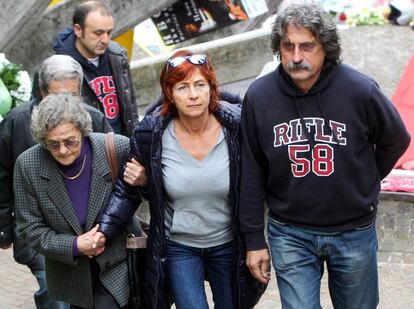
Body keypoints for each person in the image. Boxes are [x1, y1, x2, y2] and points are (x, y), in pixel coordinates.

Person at [239, 3, 410, 309]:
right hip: (289, 231)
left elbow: (396, 140)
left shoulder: (360, 91)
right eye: (287, 45)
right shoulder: (259, 97)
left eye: (307, 46)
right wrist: (253, 239)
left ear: (326, 47)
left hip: (353, 230)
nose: (296, 56)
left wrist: (364, 179)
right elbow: (251, 168)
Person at [95, 50, 266, 309]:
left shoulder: (238, 126)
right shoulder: (150, 134)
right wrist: (103, 231)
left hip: (229, 243)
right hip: (179, 246)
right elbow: (124, 192)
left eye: (200, 85)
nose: (193, 94)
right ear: (170, 93)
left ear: (212, 87)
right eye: (182, 87)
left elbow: (262, 178)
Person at [0, 54, 111, 308]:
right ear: (40, 92)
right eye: (56, 96)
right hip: (41, 236)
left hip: (93, 236)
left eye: (72, 96)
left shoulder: (95, 120)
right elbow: (2, 180)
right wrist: (4, 230)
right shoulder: (16, 123)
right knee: (56, 297)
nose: (64, 104)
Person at [13, 93, 140, 308]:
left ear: (82, 131)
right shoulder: (28, 166)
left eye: (70, 141)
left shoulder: (115, 148)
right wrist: (74, 245)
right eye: (53, 144)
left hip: (119, 266)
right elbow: (30, 229)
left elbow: (146, 194)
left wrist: (143, 180)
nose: (63, 150)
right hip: (71, 276)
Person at [52, 0, 138, 136]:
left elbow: (130, 105)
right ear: (78, 30)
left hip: (122, 143)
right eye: (98, 33)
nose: (105, 39)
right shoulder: (61, 68)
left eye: (109, 33)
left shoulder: (117, 56)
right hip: (88, 148)